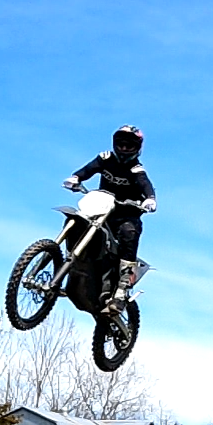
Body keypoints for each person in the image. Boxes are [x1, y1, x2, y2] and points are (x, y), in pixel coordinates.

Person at [62, 125, 157, 310]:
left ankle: (121, 290)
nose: (123, 148)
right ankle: (65, 267)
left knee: (129, 233)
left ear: (137, 148)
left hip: (126, 214)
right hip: (102, 209)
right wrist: (76, 178)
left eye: (129, 146)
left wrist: (150, 199)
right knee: (77, 221)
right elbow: (89, 169)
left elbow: (145, 185)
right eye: (121, 144)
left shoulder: (136, 169)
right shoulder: (105, 159)